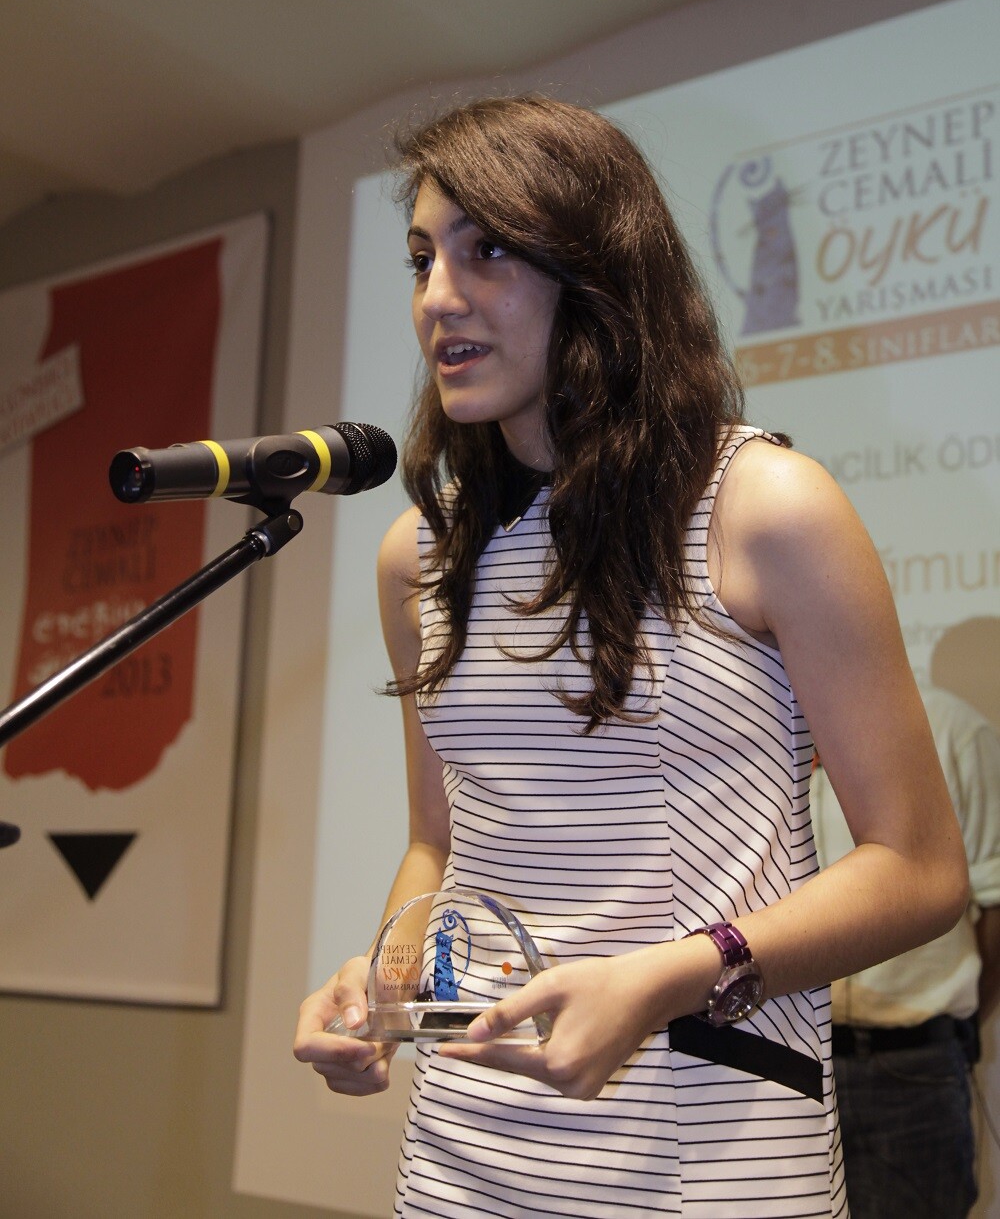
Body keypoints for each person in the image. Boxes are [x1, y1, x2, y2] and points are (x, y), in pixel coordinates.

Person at [294, 95, 967, 1218]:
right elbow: (439, 844)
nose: (438, 296)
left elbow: (920, 868)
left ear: (597, 269)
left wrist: (671, 974)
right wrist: (384, 982)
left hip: (710, 1138)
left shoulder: (762, 506)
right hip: (466, 1146)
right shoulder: (419, 554)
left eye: (487, 250)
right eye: (421, 258)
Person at [812, 683, 1000, 1219]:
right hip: (791, 1062)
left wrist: (953, 1029)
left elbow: (996, 905)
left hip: (911, 1070)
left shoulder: (953, 729)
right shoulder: (766, 728)